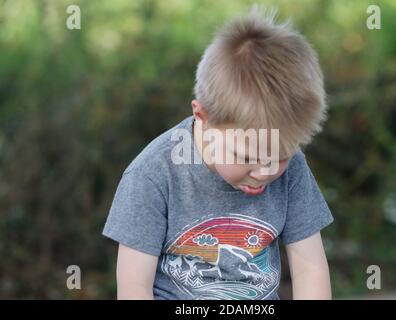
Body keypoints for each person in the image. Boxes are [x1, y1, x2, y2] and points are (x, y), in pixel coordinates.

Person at [102, 5, 334, 300]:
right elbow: (134, 287)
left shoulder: (293, 169)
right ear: (203, 118)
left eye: (281, 156)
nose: (265, 172)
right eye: (247, 157)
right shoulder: (154, 174)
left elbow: (310, 269)